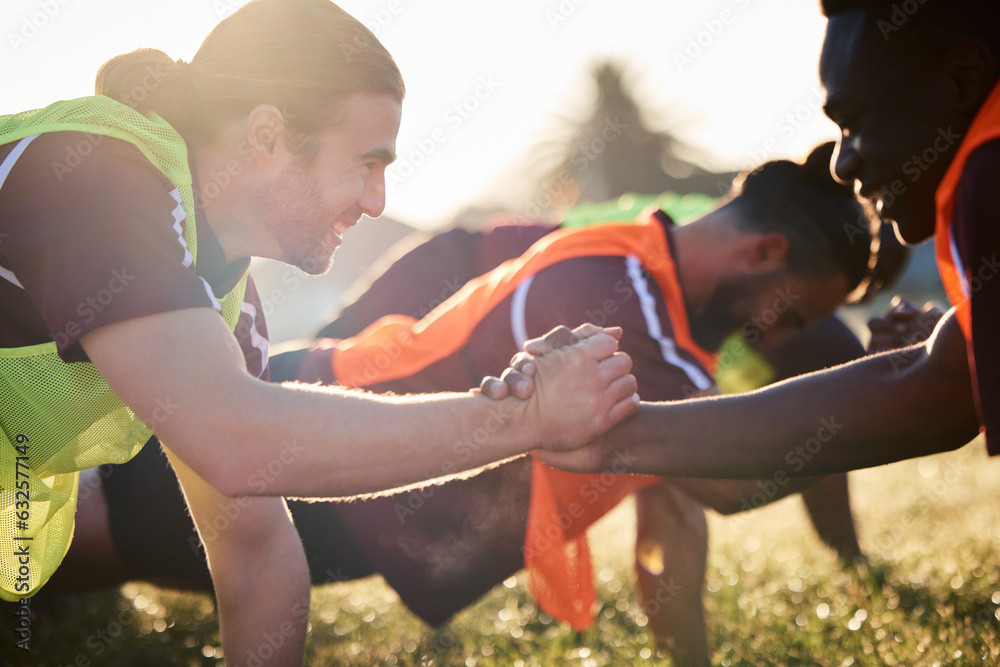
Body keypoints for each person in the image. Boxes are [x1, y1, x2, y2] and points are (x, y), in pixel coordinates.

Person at [50, 143, 882, 665]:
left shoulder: (664, 312)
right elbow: (724, 484)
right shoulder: (619, 305)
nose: (777, 338)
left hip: (357, 480)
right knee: (75, 538)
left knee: (78, 546)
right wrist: (894, 393)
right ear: (764, 252)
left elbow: (672, 524)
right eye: (793, 313)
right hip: (318, 431)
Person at [0, 1, 639, 663]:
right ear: (268, 135)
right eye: (367, 162)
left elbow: (256, 552)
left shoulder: (226, 306)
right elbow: (235, 437)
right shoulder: (98, 176)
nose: (376, 201)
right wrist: (524, 420)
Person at [519, 0, 1000, 514]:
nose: (843, 162)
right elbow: (941, 379)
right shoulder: (609, 283)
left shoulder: (987, 171)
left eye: (856, 122)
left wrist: (609, 440)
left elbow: (936, 390)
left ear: (964, 78)